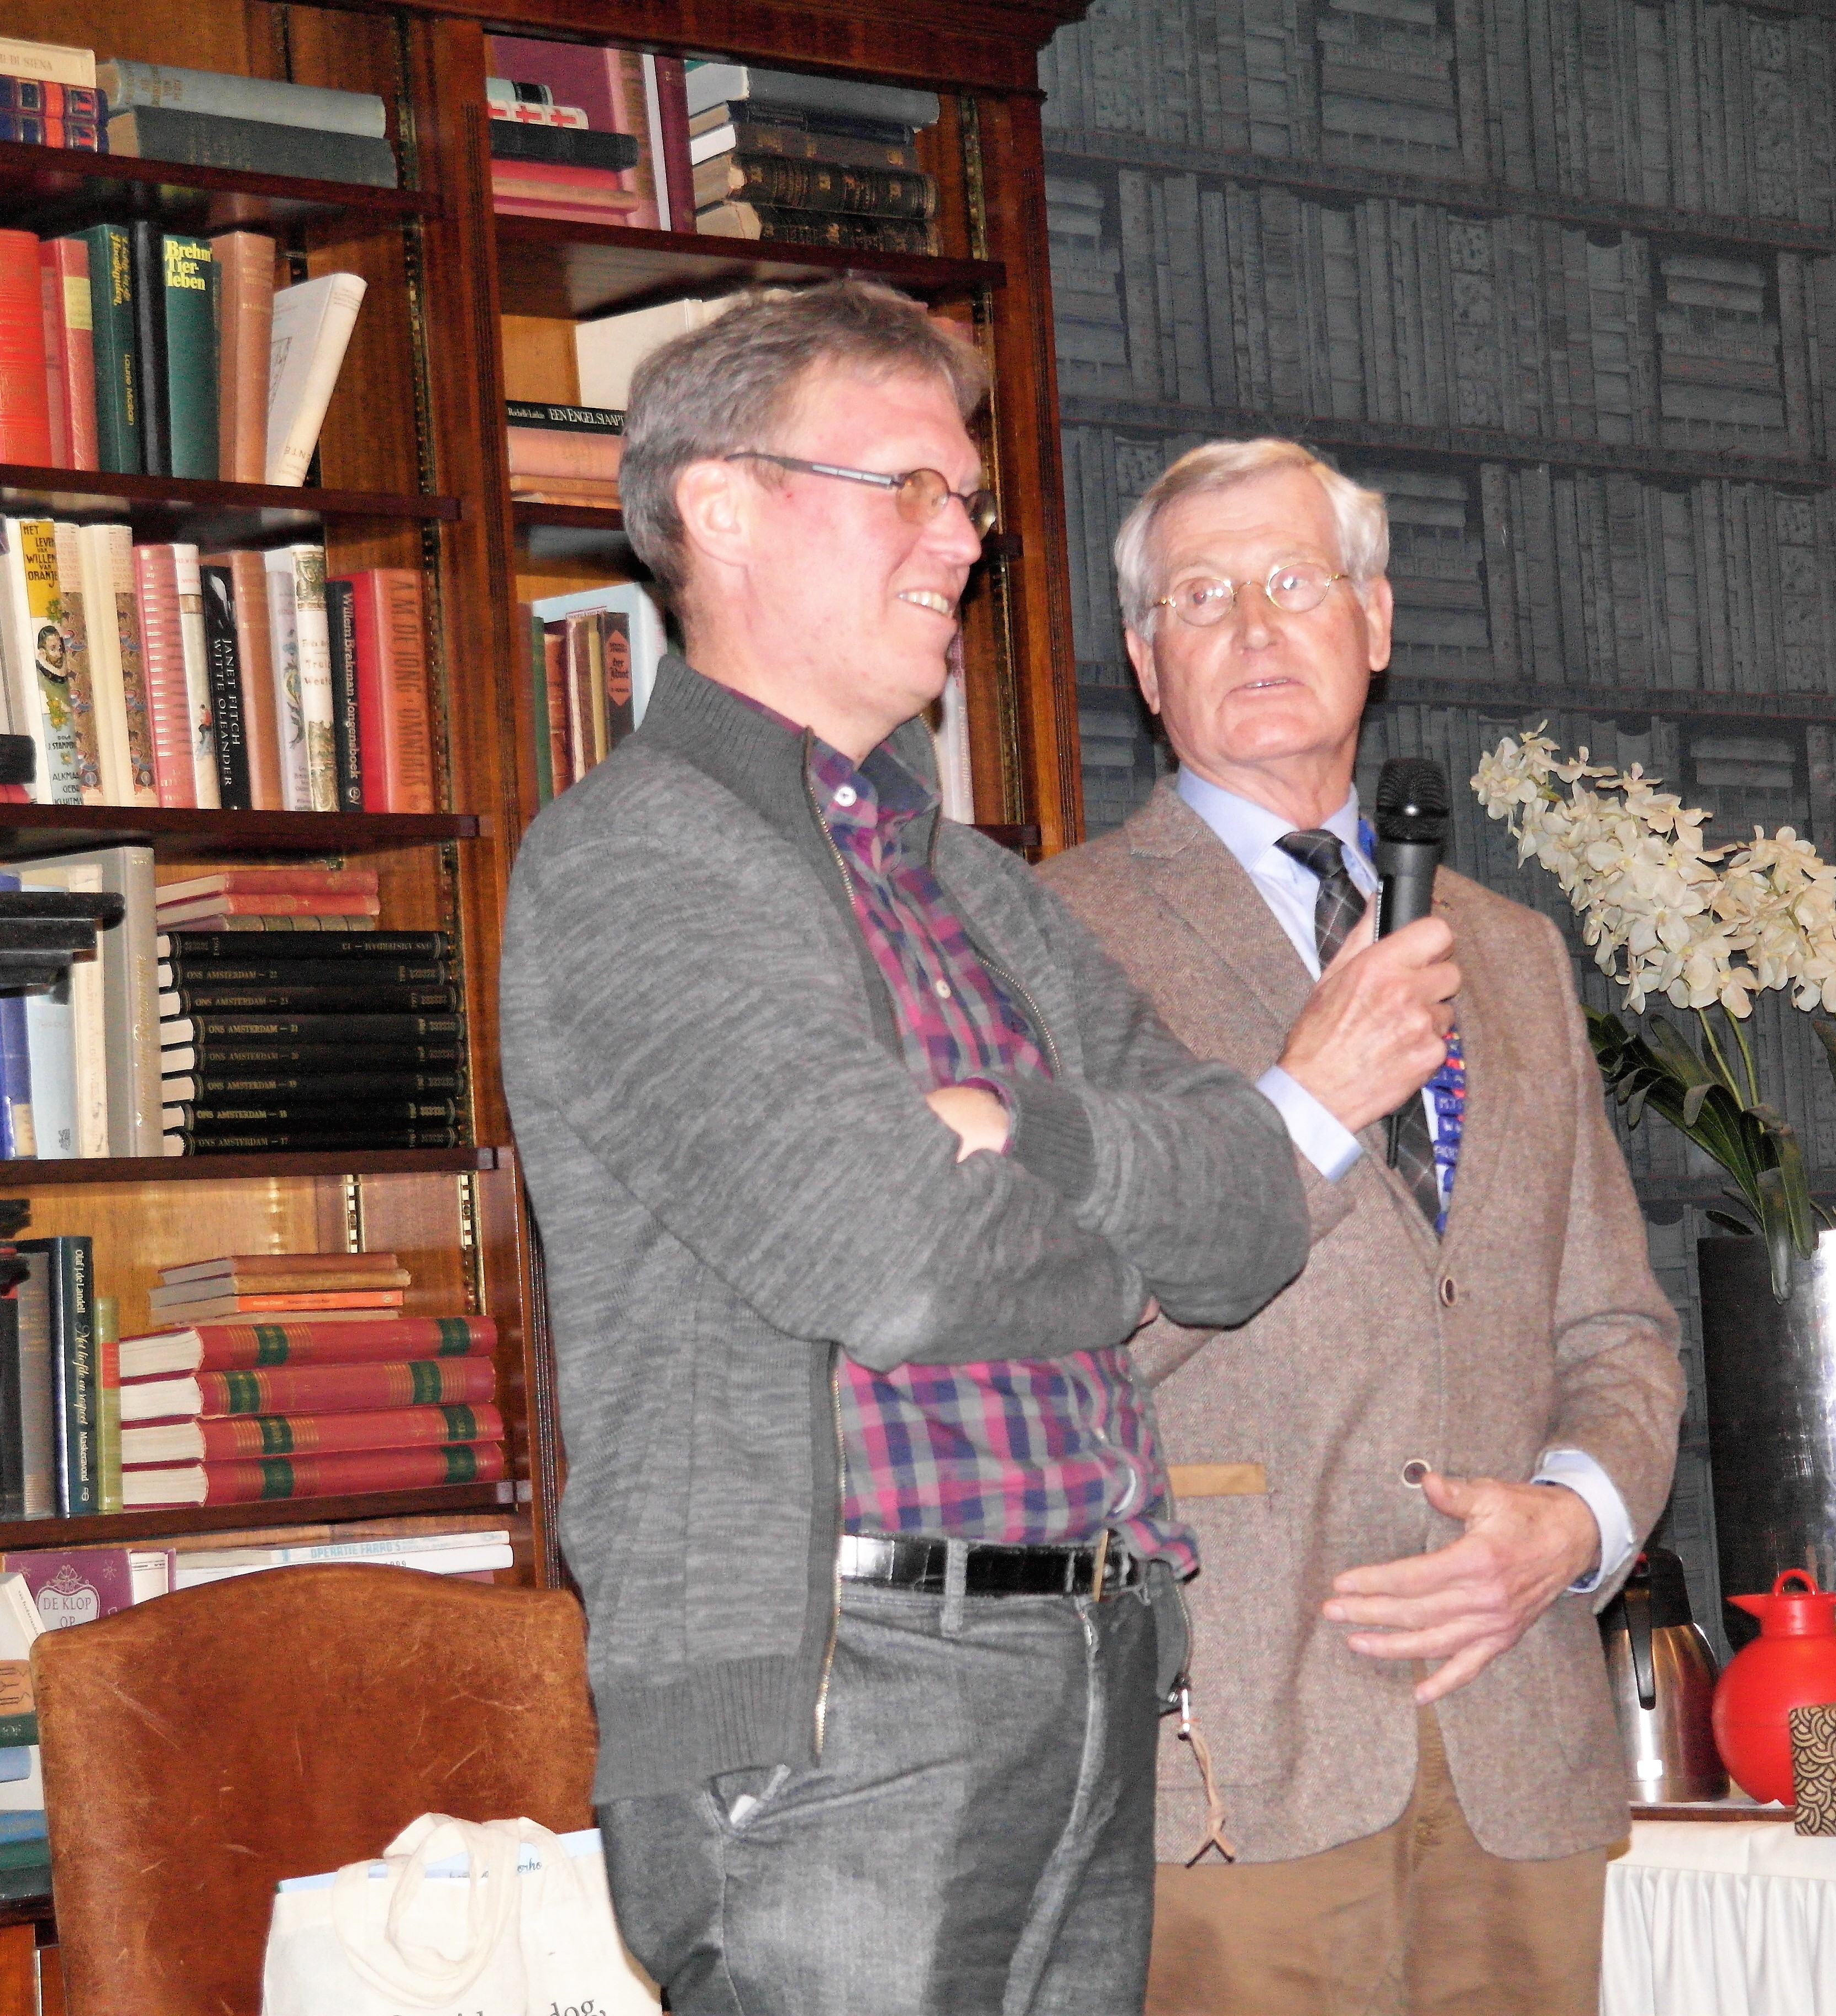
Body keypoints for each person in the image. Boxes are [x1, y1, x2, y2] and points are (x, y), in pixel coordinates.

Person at [497, 284, 1310, 2016]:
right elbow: (898, 1259)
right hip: (843, 1703)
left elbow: (1254, 1208)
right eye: (912, 489)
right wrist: (1118, 1250)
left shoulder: (977, 890)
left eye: (972, 500)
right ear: (721, 506)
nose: (965, 539)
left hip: (1090, 1656)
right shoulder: (638, 858)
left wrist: (1026, 1131)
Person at [1040, 438, 1686, 2016]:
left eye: (1294, 581)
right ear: (1145, 662)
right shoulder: (1050, 935)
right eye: (1202, 597)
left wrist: (1574, 1527)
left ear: (1376, 621)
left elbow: (1615, 1330)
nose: (1255, 627)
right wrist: (1308, 1110)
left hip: (1517, 1739)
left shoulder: (1510, 952)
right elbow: (1044, 1323)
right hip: (1233, 1745)